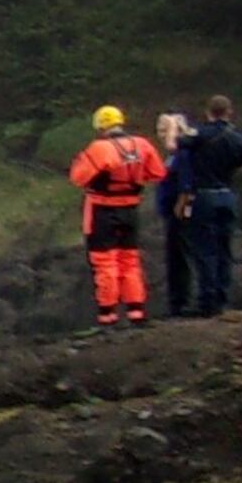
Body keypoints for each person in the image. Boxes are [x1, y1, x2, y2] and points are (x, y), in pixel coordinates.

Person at [66, 105, 166, 330]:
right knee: (130, 261)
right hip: (130, 211)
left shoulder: (100, 148)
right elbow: (158, 173)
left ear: (101, 126)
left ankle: (107, 315)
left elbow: (78, 178)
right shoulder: (142, 145)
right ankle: (136, 311)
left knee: (105, 263)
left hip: (102, 211)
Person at [175, 94, 242, 317]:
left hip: (203, 196)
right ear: (229, 112)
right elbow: (241, 164)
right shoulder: (238, 138)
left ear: (208, 112)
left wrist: (178, 126)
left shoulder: (200, 133)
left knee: (205, 250)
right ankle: (222, 298)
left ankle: (207, 301)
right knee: (225, 249)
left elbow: (178, 143)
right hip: (228, 195)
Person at [151, 111, 196, 321]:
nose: (161, 135)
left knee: (181, 256)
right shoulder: (171, 156)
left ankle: (183, 302)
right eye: (160, 130)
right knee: (174, 256)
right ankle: (176, 301)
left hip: (180, 212)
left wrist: (181, 206)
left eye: (164, 130)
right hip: (170, 211)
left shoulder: (182, 152)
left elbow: (186, 182)